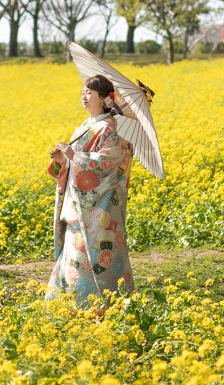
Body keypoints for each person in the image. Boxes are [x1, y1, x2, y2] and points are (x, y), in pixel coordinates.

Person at [45, 74, 135, 307]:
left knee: (91, 253)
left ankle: (94, 304)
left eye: (89, 92)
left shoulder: (107, 128)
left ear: (104, 98)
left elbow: (109, 162)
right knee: (74, 251)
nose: (83, 96)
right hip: (77, 201)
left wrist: (74, 156)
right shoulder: (86, 126)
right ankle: (71, 302)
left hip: (98, 208)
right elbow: (74, 165)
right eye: (83, 91)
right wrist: (61, 161)